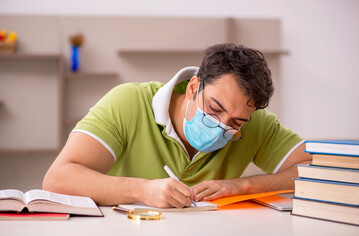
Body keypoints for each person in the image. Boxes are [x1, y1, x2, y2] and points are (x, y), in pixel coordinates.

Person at [43, 43, 312, 208]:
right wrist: (142, 190)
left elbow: (318, 171)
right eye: (215, 109)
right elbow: (57, 180)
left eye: (236, 122)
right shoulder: (128, 102)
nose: (221, 126)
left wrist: (245, 186)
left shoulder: (254, 124)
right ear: (194, 86)